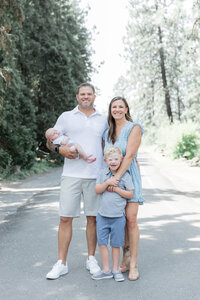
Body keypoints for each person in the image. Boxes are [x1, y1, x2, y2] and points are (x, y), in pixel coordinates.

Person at [45, 83, 108, 280]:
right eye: (82, 94)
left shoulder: (103, 119)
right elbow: (51, 140)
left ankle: (91, 259)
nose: (86, 97)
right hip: (71, 175)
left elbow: (108, 144)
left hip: (95, 175)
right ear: (77, 96)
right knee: (65, 218)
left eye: (89, 94)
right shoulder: (66, 116)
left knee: (93, 219)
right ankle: (61, 263)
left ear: (94, 97)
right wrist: (59, 150)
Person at [103, 96, 144, 281]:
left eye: (121, 106)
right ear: (110, 110)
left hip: (128, 177)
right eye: (114, 107)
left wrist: (117, 178)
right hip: (111, 180)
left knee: (131, 219)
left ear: (126, 109)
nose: (117, 109)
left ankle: (133, 263)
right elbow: (106, 157)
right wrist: (106, 180)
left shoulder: (134, 128)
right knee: (120, 220)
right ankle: (125, 259)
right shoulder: (108, 132)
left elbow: (129, 156)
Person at [92, 146, 134, 282]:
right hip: (102, 216)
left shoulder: (125, 176)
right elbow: (97, 190)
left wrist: (116, 189)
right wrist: (107, 182)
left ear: (121, 160)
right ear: (105, 160)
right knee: (102, 243)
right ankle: (106, 270)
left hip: (118, 217)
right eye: (110, 159)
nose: (113, 161)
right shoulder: (102, 174)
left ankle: (116, 269)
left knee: (116, 244)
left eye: (116, 159)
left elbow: (130, 194)